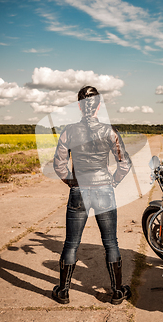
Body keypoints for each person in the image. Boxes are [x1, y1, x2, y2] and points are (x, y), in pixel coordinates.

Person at [52, 85, 132, 305]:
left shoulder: (69, 131)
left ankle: (64, 291)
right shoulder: (109, 131)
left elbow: (59, 164)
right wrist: (112, 181)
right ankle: (117, 292)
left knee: (71, 243)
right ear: (98, 106)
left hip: (79, 191)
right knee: (111, 243)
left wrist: (72, 182)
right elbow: (124, 163)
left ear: (79, 106)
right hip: (104, 190)